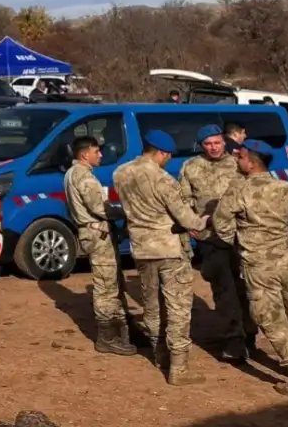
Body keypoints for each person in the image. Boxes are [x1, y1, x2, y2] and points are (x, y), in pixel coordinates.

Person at [215, 140, 288, 402]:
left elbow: (221, 225)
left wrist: (240, 243)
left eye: (241, 156)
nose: (237, 159)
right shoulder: (287, 188)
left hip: (259, 266)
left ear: (252, 162)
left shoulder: (239, 191)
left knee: (272, 321)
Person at [112, 130, 209, 385]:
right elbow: (186, 219)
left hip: (141, 249)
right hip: (168, 248)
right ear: (162, 153)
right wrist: (203, 221)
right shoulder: (163, 180)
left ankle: (159, 355)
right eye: (168, 156)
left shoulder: (120, 173)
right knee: (178, 307)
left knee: (152, 306)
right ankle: (178, 368)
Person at [178, 124, 257, 361]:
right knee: (224, 290)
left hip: (240, 236)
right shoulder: (191, 167)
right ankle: (233, 340)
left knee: (247, 285)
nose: (213, 147)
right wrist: (191, 222)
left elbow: (254, 191)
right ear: (201, 145)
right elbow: (183, 200)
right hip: (211, 238)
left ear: (224, 142)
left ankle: (250, 333)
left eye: (217, 143)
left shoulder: (237, 163)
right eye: (208, 144)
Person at [64, 135, 137, 356]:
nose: (101, 155)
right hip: (98, 235)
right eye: (97, 151)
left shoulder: (71, 174)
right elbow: (99, 208)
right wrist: (127, 210)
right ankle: (107, 336)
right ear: (85, 154)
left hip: (94, 233)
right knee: (107, 286)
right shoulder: (84, 177)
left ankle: (123, 330)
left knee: (114, 282)